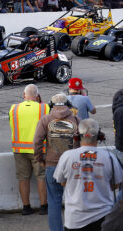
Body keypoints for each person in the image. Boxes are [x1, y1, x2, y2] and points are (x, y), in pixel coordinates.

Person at [53, 119, 123, 231]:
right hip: (103, 217)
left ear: (77, 136)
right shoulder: (109, 157)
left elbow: (62, 182)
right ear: (100, 136)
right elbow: (115, 185)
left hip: (75, 219)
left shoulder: (67, 156)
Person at [34, 93, 80, 231]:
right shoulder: (76, 119)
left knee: (54, 201)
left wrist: (40, 159)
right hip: (73, 166)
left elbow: (37, 142)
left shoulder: (45, 119)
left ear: (51, 105)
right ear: (68, 105)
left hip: (52, 165)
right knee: (75, 200)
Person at [9, 84, 49, 216]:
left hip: (19, 149)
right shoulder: (44, 107)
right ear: (37, 96)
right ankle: (43, 207)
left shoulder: (14, 108)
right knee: (41, 177)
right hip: (38, 149)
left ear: (23, 95)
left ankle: (26, 207)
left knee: (23, 178)